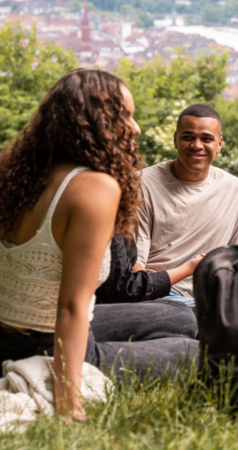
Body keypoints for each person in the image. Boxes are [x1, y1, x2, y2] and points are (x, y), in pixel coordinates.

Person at [0, 69, 198, 421]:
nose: (135, 128)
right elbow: (72, 308)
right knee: (193, 353)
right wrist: (69, 402)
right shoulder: (95, 187)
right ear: (93, 124)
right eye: (124, 116)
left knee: (180, 315)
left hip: (12, 332)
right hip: (49, 346)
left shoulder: (15, 170)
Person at [134, 104, 238, 308]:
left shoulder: (235, 188)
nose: (197, 145)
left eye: (206, 138)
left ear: (219, 144)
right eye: (188, 137)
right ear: (175, 140)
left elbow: (237, 258)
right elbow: (135, 270)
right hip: (161, 293)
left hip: (214, 293)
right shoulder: (141, 184)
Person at [95, 234, 203, 304]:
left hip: (147, 288)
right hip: (154, 291)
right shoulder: (107, 219)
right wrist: (189, 268)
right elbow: (127, 289)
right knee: (188, 315)